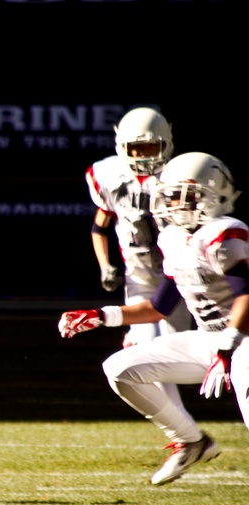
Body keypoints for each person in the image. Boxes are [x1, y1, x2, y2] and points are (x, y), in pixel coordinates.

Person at [59, 152, 247, 485]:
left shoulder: (226, 234)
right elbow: (159, 306)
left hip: (241, 339)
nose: (173, 202)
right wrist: (102, 316)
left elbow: (247, 297)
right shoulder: (173, 238)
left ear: (214, 193)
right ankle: (191, 440)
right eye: (171, 194)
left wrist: (228, 349)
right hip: (210, 338)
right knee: (120, 368)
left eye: (183, 195)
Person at [85, 107, 192, 409]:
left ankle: (187, 431)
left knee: (170, 350)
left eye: (150, 147)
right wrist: (105, 265)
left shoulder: (182, 175)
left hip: (177, 275)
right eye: (137, 149)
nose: (144, 156)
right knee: (147, 353)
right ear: (122, 147)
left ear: (166, 144)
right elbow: (99, 226)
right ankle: (184, 434)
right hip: (139, 276)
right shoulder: (107, 175)